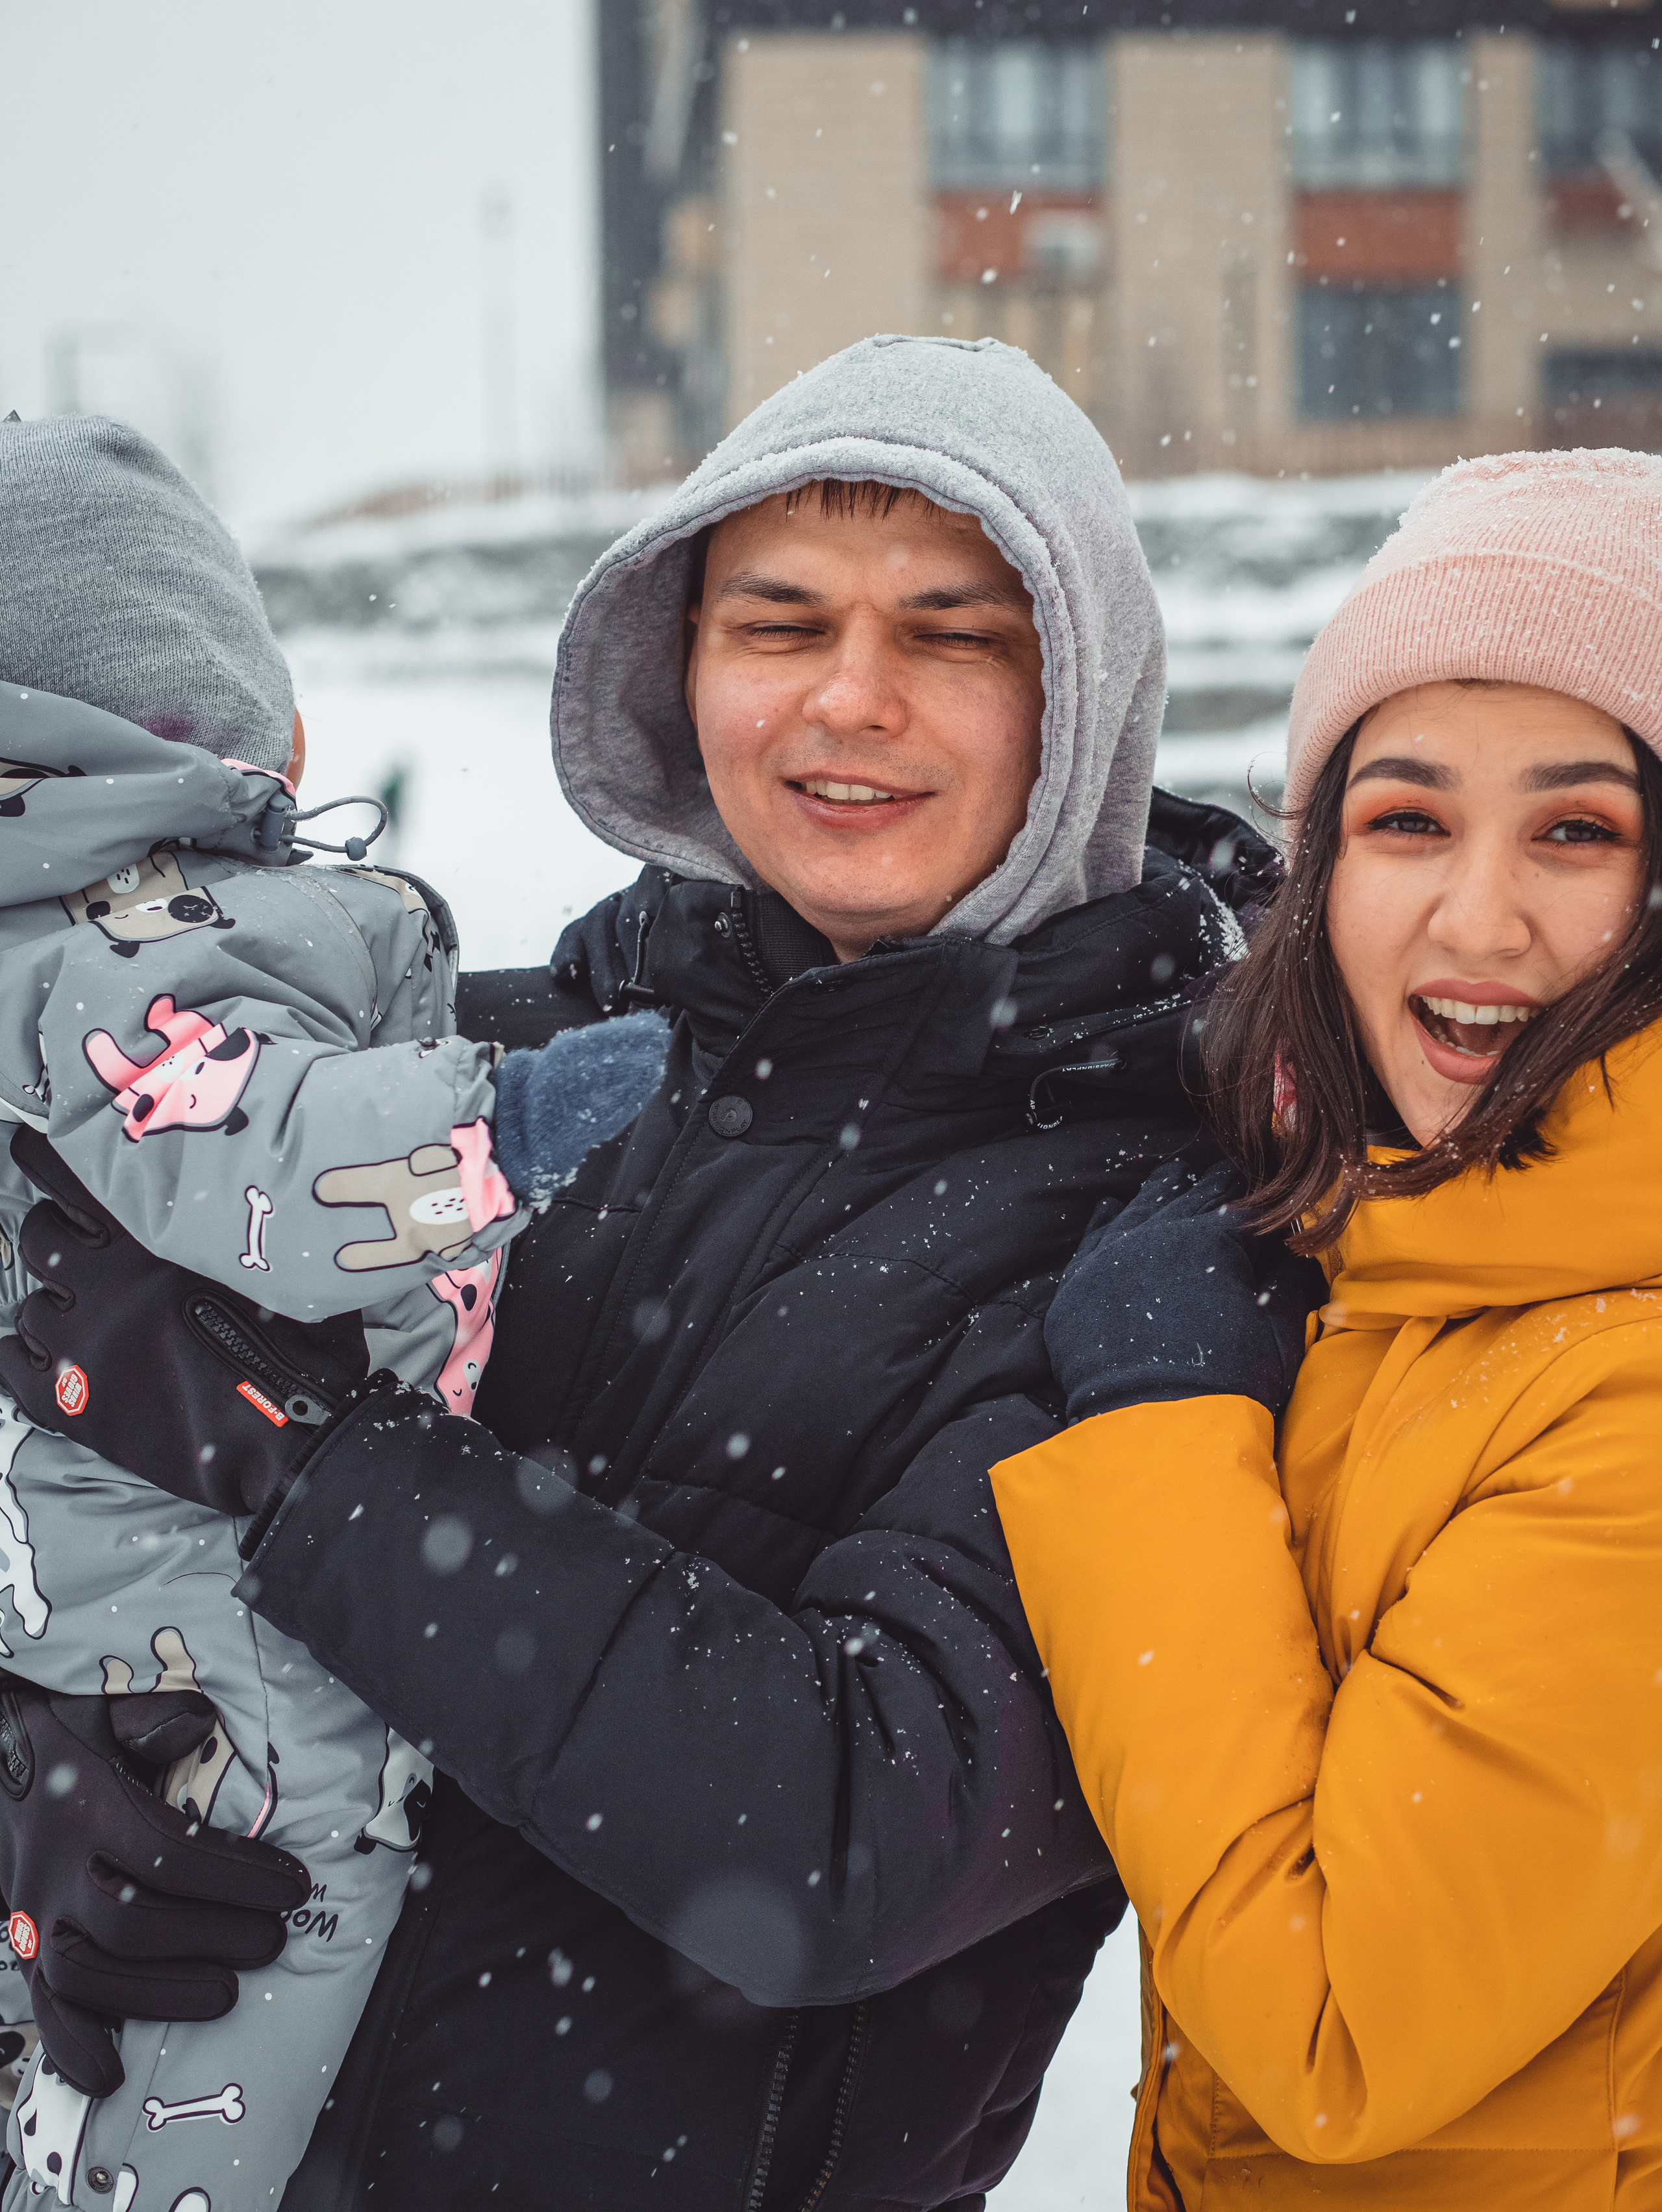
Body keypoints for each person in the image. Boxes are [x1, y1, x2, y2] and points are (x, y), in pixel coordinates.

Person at [0, 337, 1276, 2211]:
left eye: (952, 632)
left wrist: (310, 1470)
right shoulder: (490, 1067)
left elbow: (865, 1827)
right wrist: (40, 1768)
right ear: (683, 671)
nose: (852, 700)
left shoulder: (1165, 1233)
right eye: (778, 623)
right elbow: (68, 1490)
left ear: (1080, 697)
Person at [0, 417, 667, 2211]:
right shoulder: (114, 956)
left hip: (116, 1636)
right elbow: (272, 1165)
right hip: (225, 1662)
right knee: (251, 1959)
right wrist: (495, 1129)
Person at [990, 447, 1662, 2208]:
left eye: (1578, 829)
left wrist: (1155, 1424)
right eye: (1408, 819)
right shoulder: (1424, 1266)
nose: (1479, 916)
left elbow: (1329, 2029)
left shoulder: (1634, 1390)